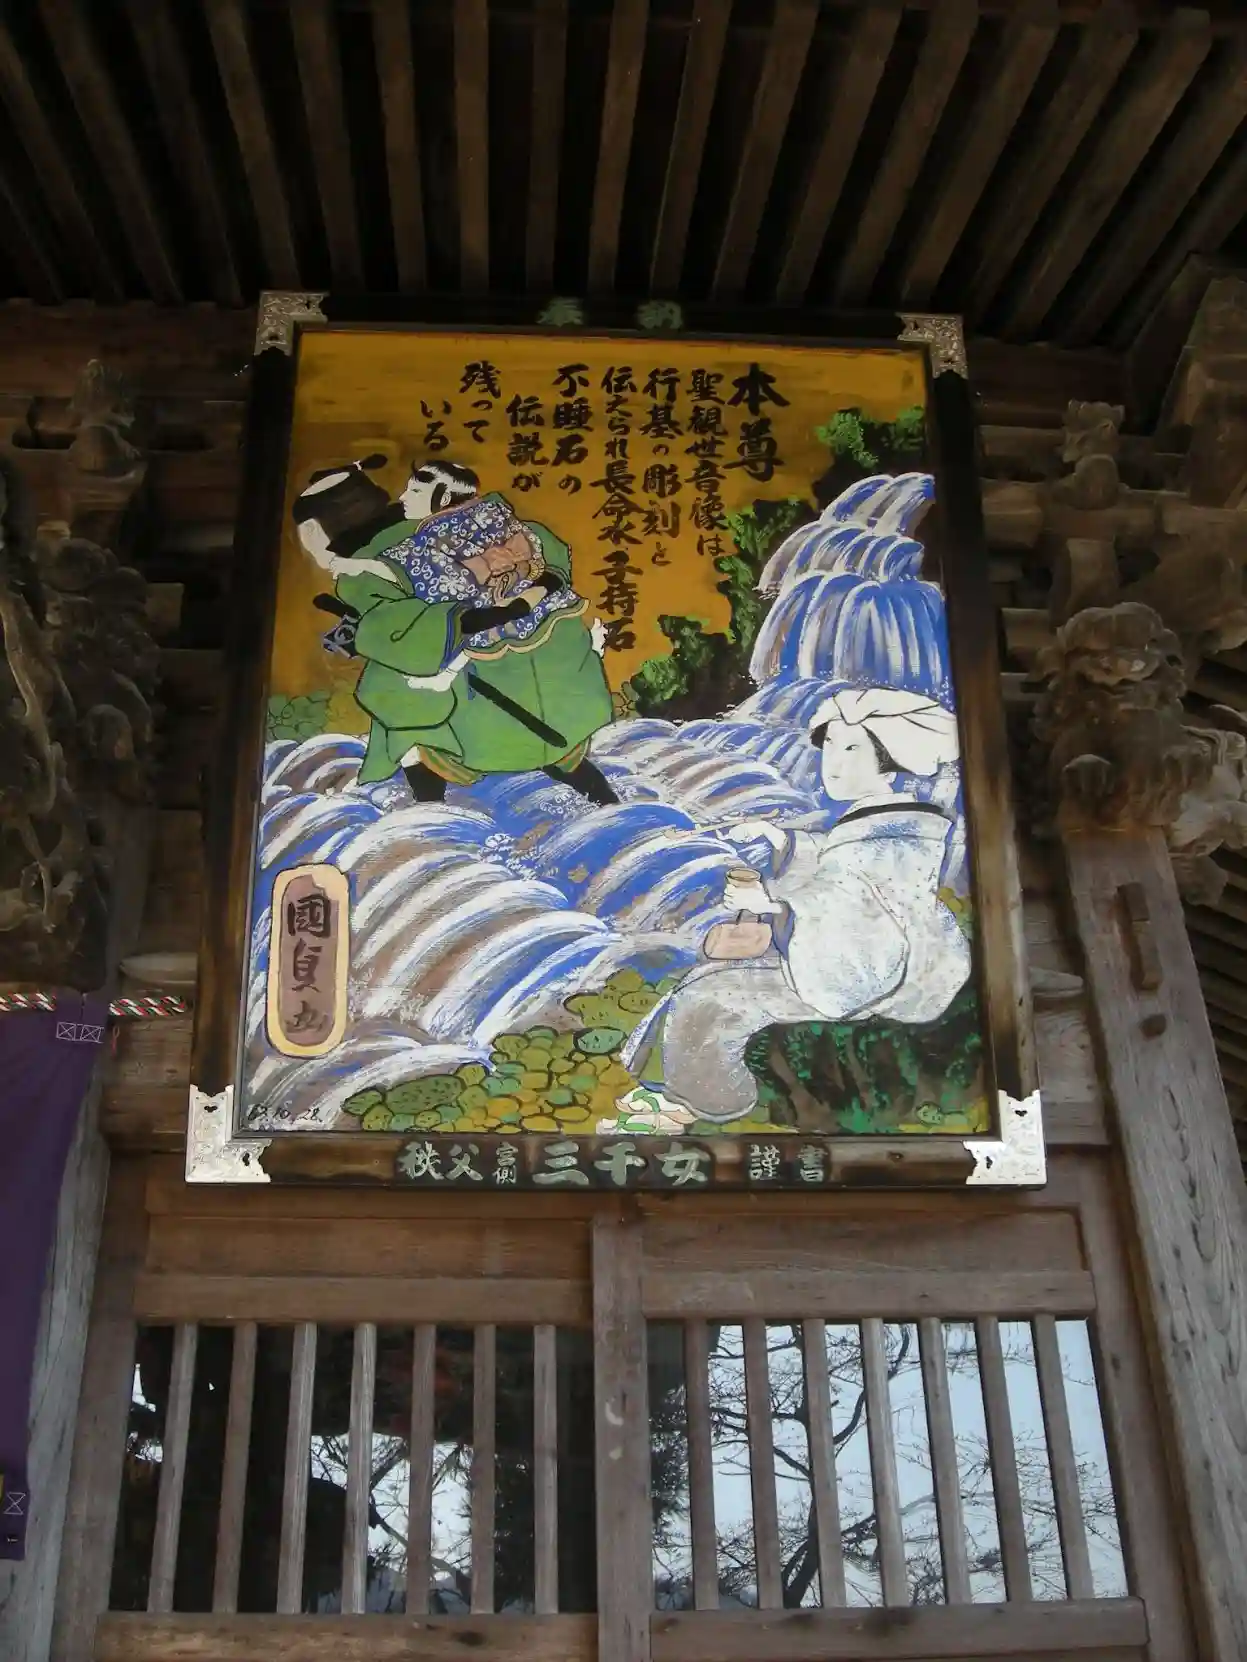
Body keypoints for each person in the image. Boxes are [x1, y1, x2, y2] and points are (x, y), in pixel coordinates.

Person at [619, 686, 971, 1123]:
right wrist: (780, 839)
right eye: (830, 747)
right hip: (850, 956)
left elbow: (861, 910)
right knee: (706, 976)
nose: (834, 763)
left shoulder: (895, 833)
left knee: (712, 997)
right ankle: (675, 1091)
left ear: (888, 759)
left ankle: (706, 1105)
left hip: (874, 970)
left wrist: (773, 905)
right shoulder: (882, 818)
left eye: (852, 749)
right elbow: (839, 868)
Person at [292, 457, 618, 806]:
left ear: (313, 531)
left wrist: (369, 635)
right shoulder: (482, 519)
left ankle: (430, 809)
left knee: (396, 703)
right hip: (550, 665)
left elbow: (399, 632)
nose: (404, 496)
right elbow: (550, 556)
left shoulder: (378, 564)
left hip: (472, 686)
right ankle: (605, 801)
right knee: (561, 751)